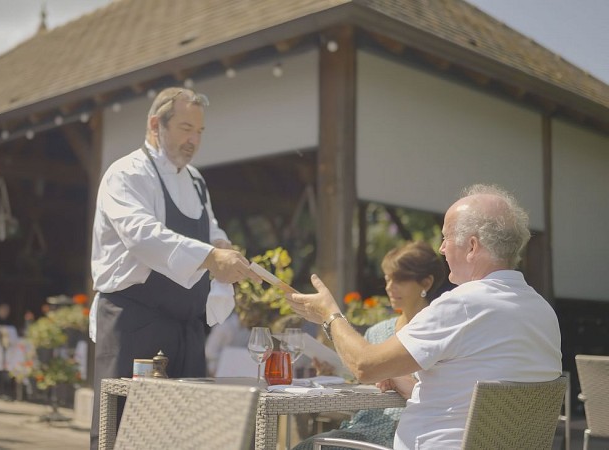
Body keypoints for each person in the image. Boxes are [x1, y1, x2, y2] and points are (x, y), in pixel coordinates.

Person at [287, 184, 562, 449]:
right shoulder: (543, 312)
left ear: (472, 247)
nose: (442, 248)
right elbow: (475, 401)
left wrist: (330, 314)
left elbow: (365, 366)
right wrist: (404, 383)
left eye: (446, 237)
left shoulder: (462, 304)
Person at [89, 87, 259, 449]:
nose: (193, 140)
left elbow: (211, 229)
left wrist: (225, 249)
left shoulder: (195, 180)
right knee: (125, 435)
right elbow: (142, 234)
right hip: (134, 325)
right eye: (185, 128)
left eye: (199, 131)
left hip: (187, 329)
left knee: (183, 437)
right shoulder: (126, 173)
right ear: (156, 125)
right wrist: (210, 258)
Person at [293, 241, 446, 449]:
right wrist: (333, 375)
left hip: (400, 436)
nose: (389, 287)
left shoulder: (437, 333)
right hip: (360, 427)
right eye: (388, 279)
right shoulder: (376, 332)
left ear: (426, 283)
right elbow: (362, 386)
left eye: (399, 280)